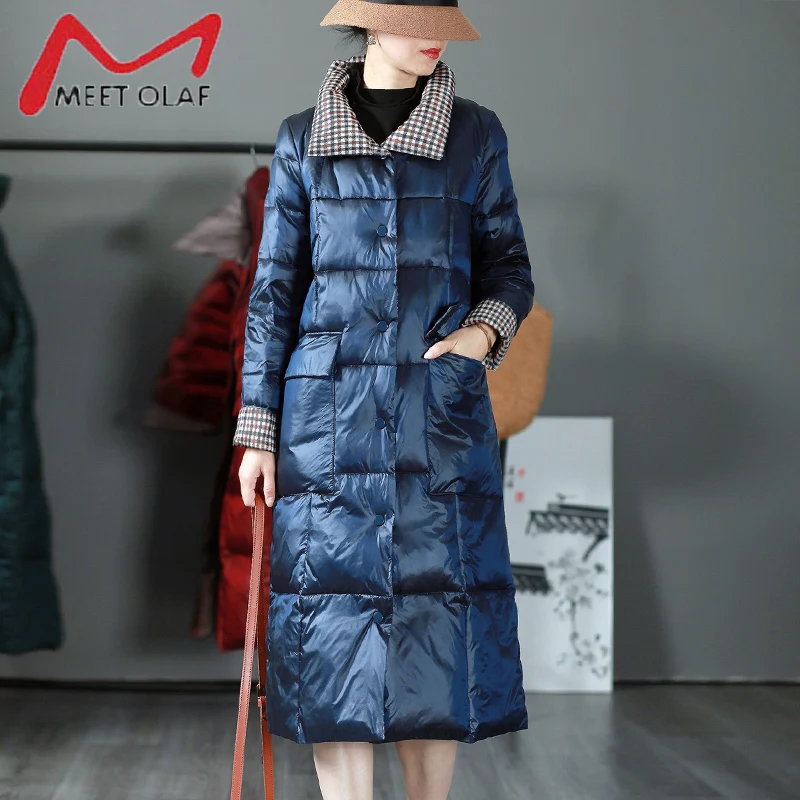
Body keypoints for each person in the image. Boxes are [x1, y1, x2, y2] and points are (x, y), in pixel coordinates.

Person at [235, 2, 535, 798]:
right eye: (413, 17)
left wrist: (480, 335)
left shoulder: (475, 133)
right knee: (330, 634)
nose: (434, 36)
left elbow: (509, 266)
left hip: (435, 417)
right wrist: (257, 430)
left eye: (442, 18)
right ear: (368, 22)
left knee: (437, 633)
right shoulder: (302, 138)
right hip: (324, 424)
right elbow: (274, 291)